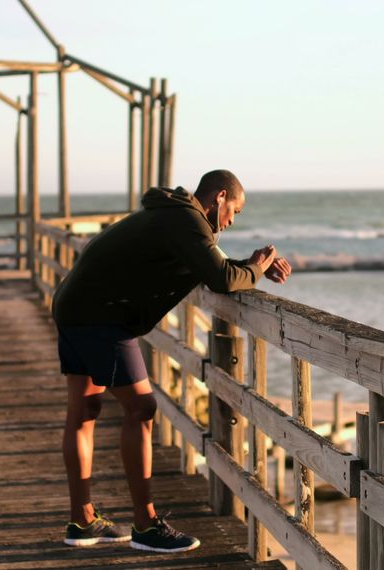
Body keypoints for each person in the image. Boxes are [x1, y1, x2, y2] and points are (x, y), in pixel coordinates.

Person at [52, 169, 292, 552]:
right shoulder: (186, 218)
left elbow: (210, 268)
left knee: (83, 409)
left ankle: (82, 521)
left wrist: (250, 266)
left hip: (75, 305)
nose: (231, 222)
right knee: (142, 408)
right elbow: (222, 279)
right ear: (218, 198)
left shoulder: (174, 213)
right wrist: (257, 268)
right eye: (234, 211)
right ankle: (146, 525)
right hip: (102, 315)